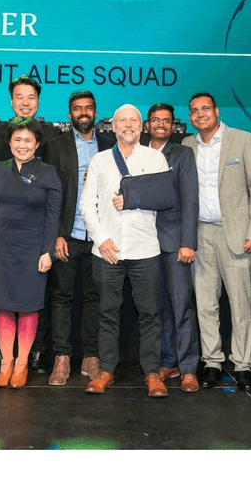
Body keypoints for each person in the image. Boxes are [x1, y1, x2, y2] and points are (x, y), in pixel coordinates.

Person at [79, 104, 171, 398]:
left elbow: (164, 198)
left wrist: (133, 199)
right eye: (123, 121)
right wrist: (101, 239)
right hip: (108, 251)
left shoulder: (155, 158)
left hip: (145, 249)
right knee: (107, 313)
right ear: (113, 126)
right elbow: (87, 204)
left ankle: (152, 374)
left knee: (150, 314)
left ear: (142, 127)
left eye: (133, 120)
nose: (128, 125)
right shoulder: (100, 160)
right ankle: (106, 371)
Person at [182, 92, 251, 391]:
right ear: (190, 117)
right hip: (200, 235)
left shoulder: (242, 140)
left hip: (236, 235)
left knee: (241, 304)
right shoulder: (187, 145)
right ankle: (212, 362)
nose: (201, 114)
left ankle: (243, 364)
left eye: (205, 108)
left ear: (217, 111)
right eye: (195, 110)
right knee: (205, 304)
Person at [0, 74, 61, 372]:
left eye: (28, 140)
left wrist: (48, 249)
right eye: (17, 140)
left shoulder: (49, 164)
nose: (22, 144)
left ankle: (24, 362)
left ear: (37, 143)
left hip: (33, 247)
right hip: (2, 248)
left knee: (31, 305)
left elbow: (53, 212)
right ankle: (5, 362)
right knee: (3, 304)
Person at [124, 102, 200, 393]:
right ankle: (169, 361)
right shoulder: (137, 153)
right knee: (158, 308)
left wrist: (187, 242)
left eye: (166, 120)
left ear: (173, 125)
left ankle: (189, 368)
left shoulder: (182, 154)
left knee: (181, 305)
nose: (160, 125)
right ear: (147, 124)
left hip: (173, 241)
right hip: (144, 242)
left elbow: (190, 199)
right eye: (155, 120)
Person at [43, 90, 114, 386]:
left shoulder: (110, 145)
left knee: (95, 298)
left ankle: (91, 356)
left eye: (88, 108)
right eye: (77, 108)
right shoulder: (54, 146)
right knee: (61, 298)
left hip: (99, 237)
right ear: (69, 113)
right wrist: (57, 234)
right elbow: (50, 194)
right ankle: (61, 357)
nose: (83, 113)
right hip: (68, 235)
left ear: (96, 112)